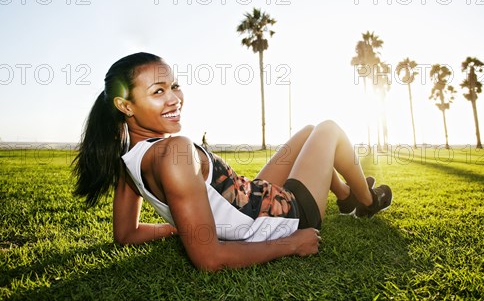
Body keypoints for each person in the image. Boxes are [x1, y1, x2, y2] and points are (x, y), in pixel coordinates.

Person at [73, 52, 392, 271]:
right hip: (289, 217)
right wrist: (291, 244)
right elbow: (211, 260)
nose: (174, 99)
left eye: (174, 86)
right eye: (158, 91)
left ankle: (345, 194)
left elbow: (126, 234)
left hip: (251, 198)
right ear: (125, 106)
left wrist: (180, 228)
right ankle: (366, 200)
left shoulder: (129, 161)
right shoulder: (173, 154)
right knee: (329, 129)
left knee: (308, 131)